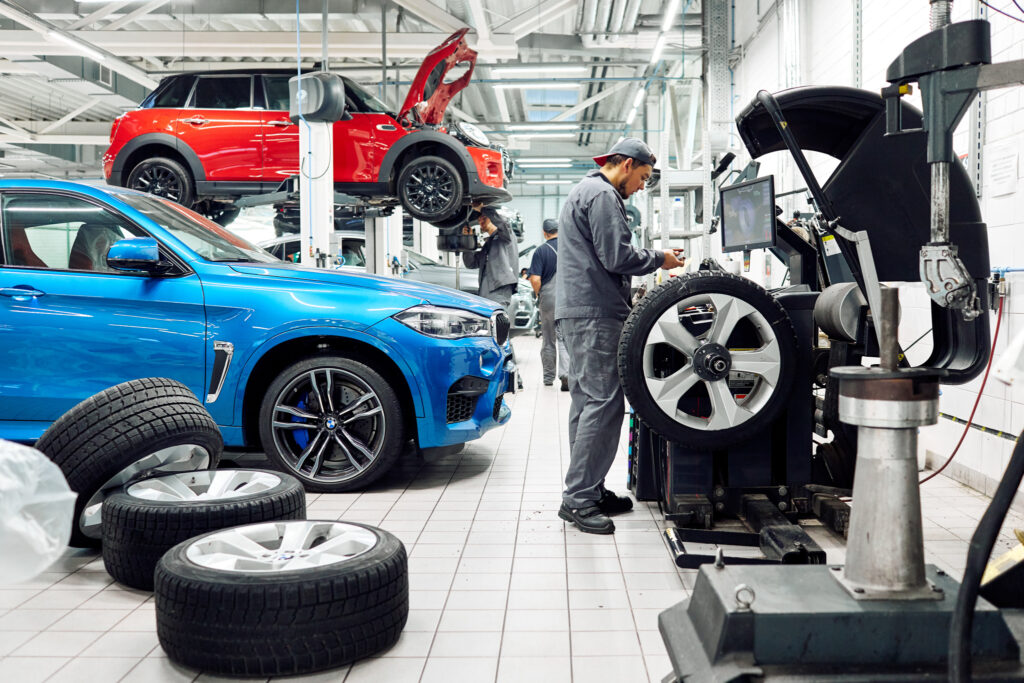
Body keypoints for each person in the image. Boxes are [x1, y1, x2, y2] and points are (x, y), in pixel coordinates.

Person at [555, 138, 685, 535]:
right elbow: (617, 257)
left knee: (587, 402)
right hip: (594, 313)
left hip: (580, 310)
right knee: (604, 402)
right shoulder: (603, 195)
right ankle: (579, 499)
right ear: (626, 165)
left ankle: (590, 489)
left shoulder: (585, 191)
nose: (642, 186)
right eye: (643, 177)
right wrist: (660, 258)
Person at [528, 218, 569, 390]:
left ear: (545, 233)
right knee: (566, 337)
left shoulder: (541, 251)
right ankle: (566, 374)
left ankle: (548, 377)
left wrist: (539, 294)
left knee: (548, 338)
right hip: (570, 297)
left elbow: (535, 279)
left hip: (549, 298)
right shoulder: (570, 248)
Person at [462, 206, 519, 311]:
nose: (481, 221)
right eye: (479, 219)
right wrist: (468, 239)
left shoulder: (505, 236)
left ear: (493, 218)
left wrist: (483, 209)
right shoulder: (489, 243)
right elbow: (471, 263)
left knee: (497, 318)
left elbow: (503, 224)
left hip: (498, 289)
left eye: (484, 217)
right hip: (485, 291)